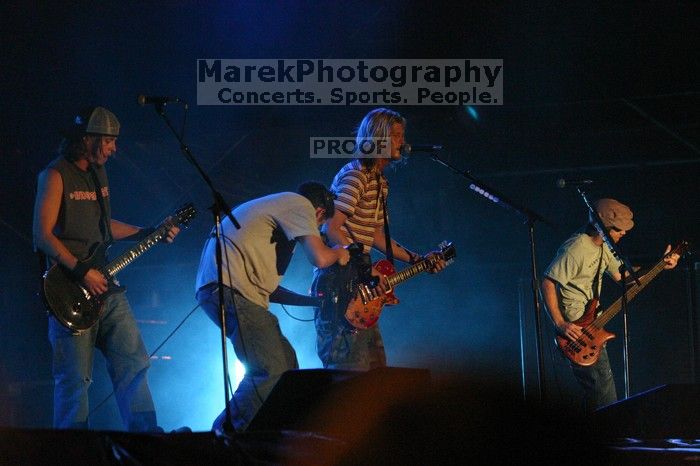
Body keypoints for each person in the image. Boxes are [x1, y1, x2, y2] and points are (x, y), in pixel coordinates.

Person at [33, 106, 180, 431]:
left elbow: (103, 227)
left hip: (108, 291)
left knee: (135, 363)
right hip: (69, 293)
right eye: (109, 141)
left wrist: (147, 232)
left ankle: (147, 441)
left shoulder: (99, 174)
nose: (114, 148)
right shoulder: (55, 175)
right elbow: (41, 234)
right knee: (74, 382)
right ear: (88, 139)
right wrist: (82, 270)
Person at [194, 181, 350, 432]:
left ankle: (268, 434)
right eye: (320, 225)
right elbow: (321, 257)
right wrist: (340, 252)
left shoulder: (278, 212)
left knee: (288, 369)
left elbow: (271, 290)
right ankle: (220, 437)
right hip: (231, 290)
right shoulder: (300, 205)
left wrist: (313, 302)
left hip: (225, 290)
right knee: (272, 370)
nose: (316, 230)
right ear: (319, 212)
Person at [312, 107, 446, 371]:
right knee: (348, 374)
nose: (402, 142)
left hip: (361, 286)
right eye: (395, 135)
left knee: (374, 373)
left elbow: (375, 235)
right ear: (377, 138)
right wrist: (361, 266)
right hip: (341, 284)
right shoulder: (356, 176)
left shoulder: (380, 182)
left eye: (402, 135)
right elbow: (331, 227)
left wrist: (418, 260)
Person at [541, 198, 679, 412]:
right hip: (577, 332)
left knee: (600, 396)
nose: (623, 233)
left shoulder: (606, 247)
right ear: (601, 227)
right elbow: (548, 282)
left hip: (594, 324)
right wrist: (560, 323)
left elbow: (623, 277)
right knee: (604, 395)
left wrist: (660, 265)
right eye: (617, 229)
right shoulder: (576, 248)